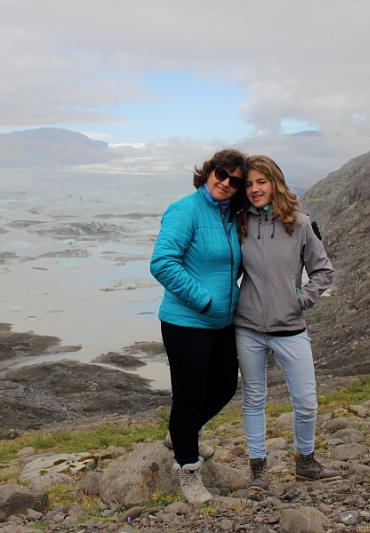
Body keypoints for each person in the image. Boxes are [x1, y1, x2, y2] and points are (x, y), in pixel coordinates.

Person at [234, 154, 339, 489]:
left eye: (260, 182)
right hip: (247, 327)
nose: (254, 189)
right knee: (253, 399)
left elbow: (323, 271)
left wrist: (301, 300)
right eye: (249, 184)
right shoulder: (239, 223)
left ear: (275, 182)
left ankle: (305, 462)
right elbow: (226, 269)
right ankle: (258, 468)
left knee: (306, 402)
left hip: (290, 328)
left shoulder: (301, 223)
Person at [149, 148, 247, 504]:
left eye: (235, 180)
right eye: (221, 173)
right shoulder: (185, 210)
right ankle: (188, 471)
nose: (226, 183)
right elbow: (162, 262)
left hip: (222, 323)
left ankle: (181, 436)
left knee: (223, 387)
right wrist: (204, 300)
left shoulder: (233, 215)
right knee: (188, 398)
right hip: (187, 321)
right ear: (208, 171)